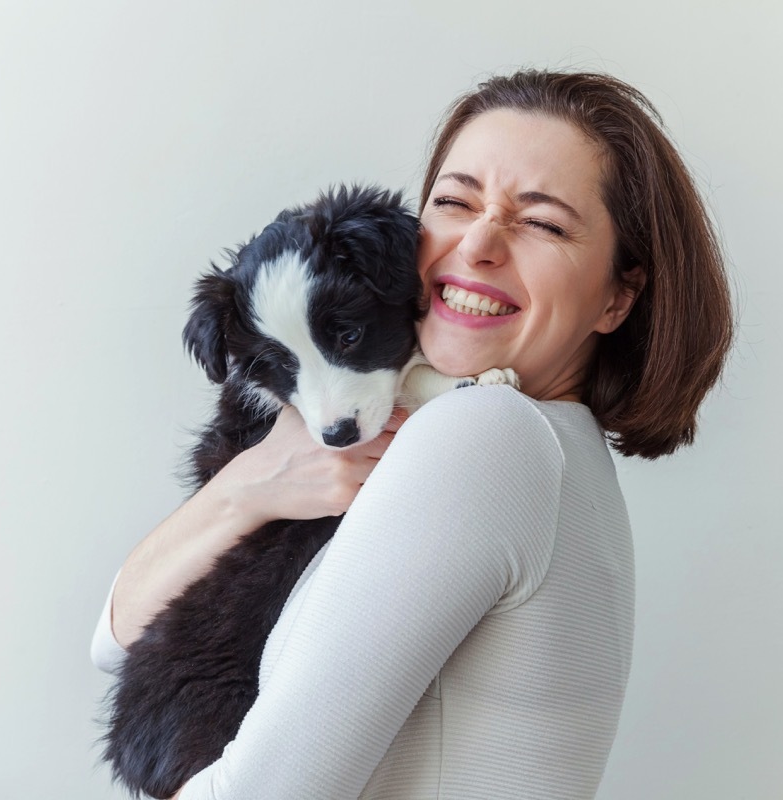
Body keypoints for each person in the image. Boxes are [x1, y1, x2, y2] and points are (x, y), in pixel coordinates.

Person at [91, 70, 733, 799]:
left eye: (544, 222)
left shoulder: (487, 434)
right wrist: (248, 490)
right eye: (454, 202)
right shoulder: (548, 450)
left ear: (618, 296)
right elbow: (117, 643)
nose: (481, 242)